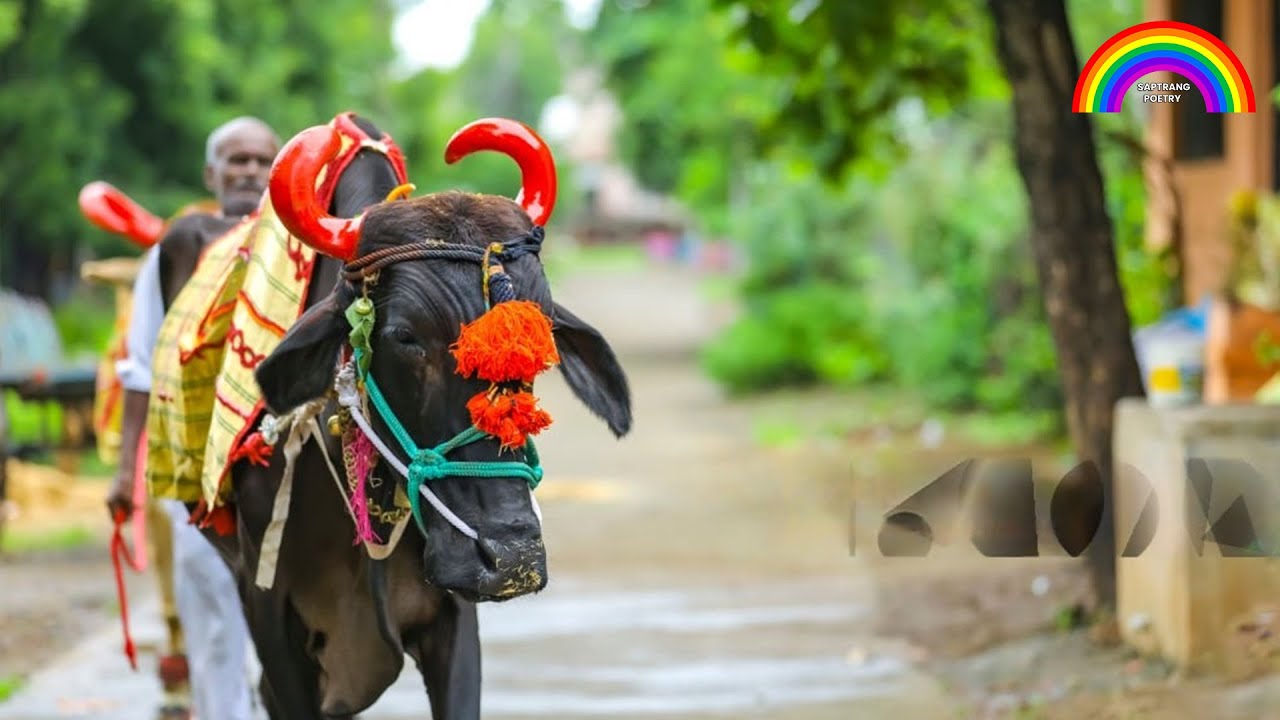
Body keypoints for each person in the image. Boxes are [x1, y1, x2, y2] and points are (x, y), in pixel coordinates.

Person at [106, 116, 281, 720]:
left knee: (295, 638)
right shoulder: (179, 246)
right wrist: (125, 472)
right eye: (237, 160)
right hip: (197, 478)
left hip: (288, 476)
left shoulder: (300, 252)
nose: (250, 171)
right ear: (211, 173)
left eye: (263, 160)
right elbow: (140, 367)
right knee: (212, 634)